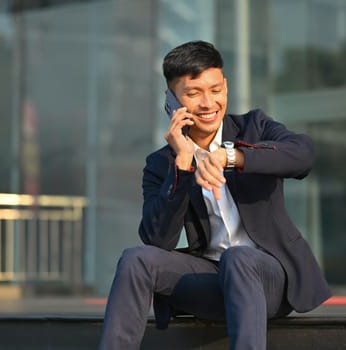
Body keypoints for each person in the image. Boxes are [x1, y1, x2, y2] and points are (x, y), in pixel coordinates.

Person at [98, 40, 331, 350]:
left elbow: (303, 154)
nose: (208, 103)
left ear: (226, 87)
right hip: (212, 280)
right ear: (170, 100)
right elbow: (158, 240)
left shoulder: (254, 127)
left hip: (269, 278)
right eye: (193, 94)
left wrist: (230, 156)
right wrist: (182, 165)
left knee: (239, 257)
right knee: (135, 259)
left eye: (216, 90)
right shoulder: (161, 163)